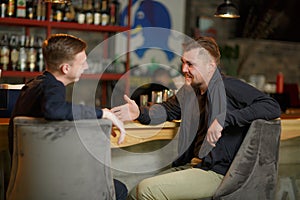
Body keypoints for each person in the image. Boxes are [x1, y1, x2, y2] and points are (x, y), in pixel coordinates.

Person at [111, 36, 281, 199]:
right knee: (134, 193)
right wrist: (138, 113)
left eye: (190, 64)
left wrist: (224, 119)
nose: (184, 69)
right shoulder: (189, 92)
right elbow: (166, 110)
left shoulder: (228, 86)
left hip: (218, 173)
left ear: (210, 66)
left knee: (147, 191)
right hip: (193, 165)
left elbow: (271, 106)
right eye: (183, 63)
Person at [8, 34, 128, 200]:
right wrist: (103, 113)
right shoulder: (53, 87)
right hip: (56, 185)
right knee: (119, 189)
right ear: (65, 68)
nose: (86, 67)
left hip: (27, 184)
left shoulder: (33, 85)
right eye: (82, 62)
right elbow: (54, 110)